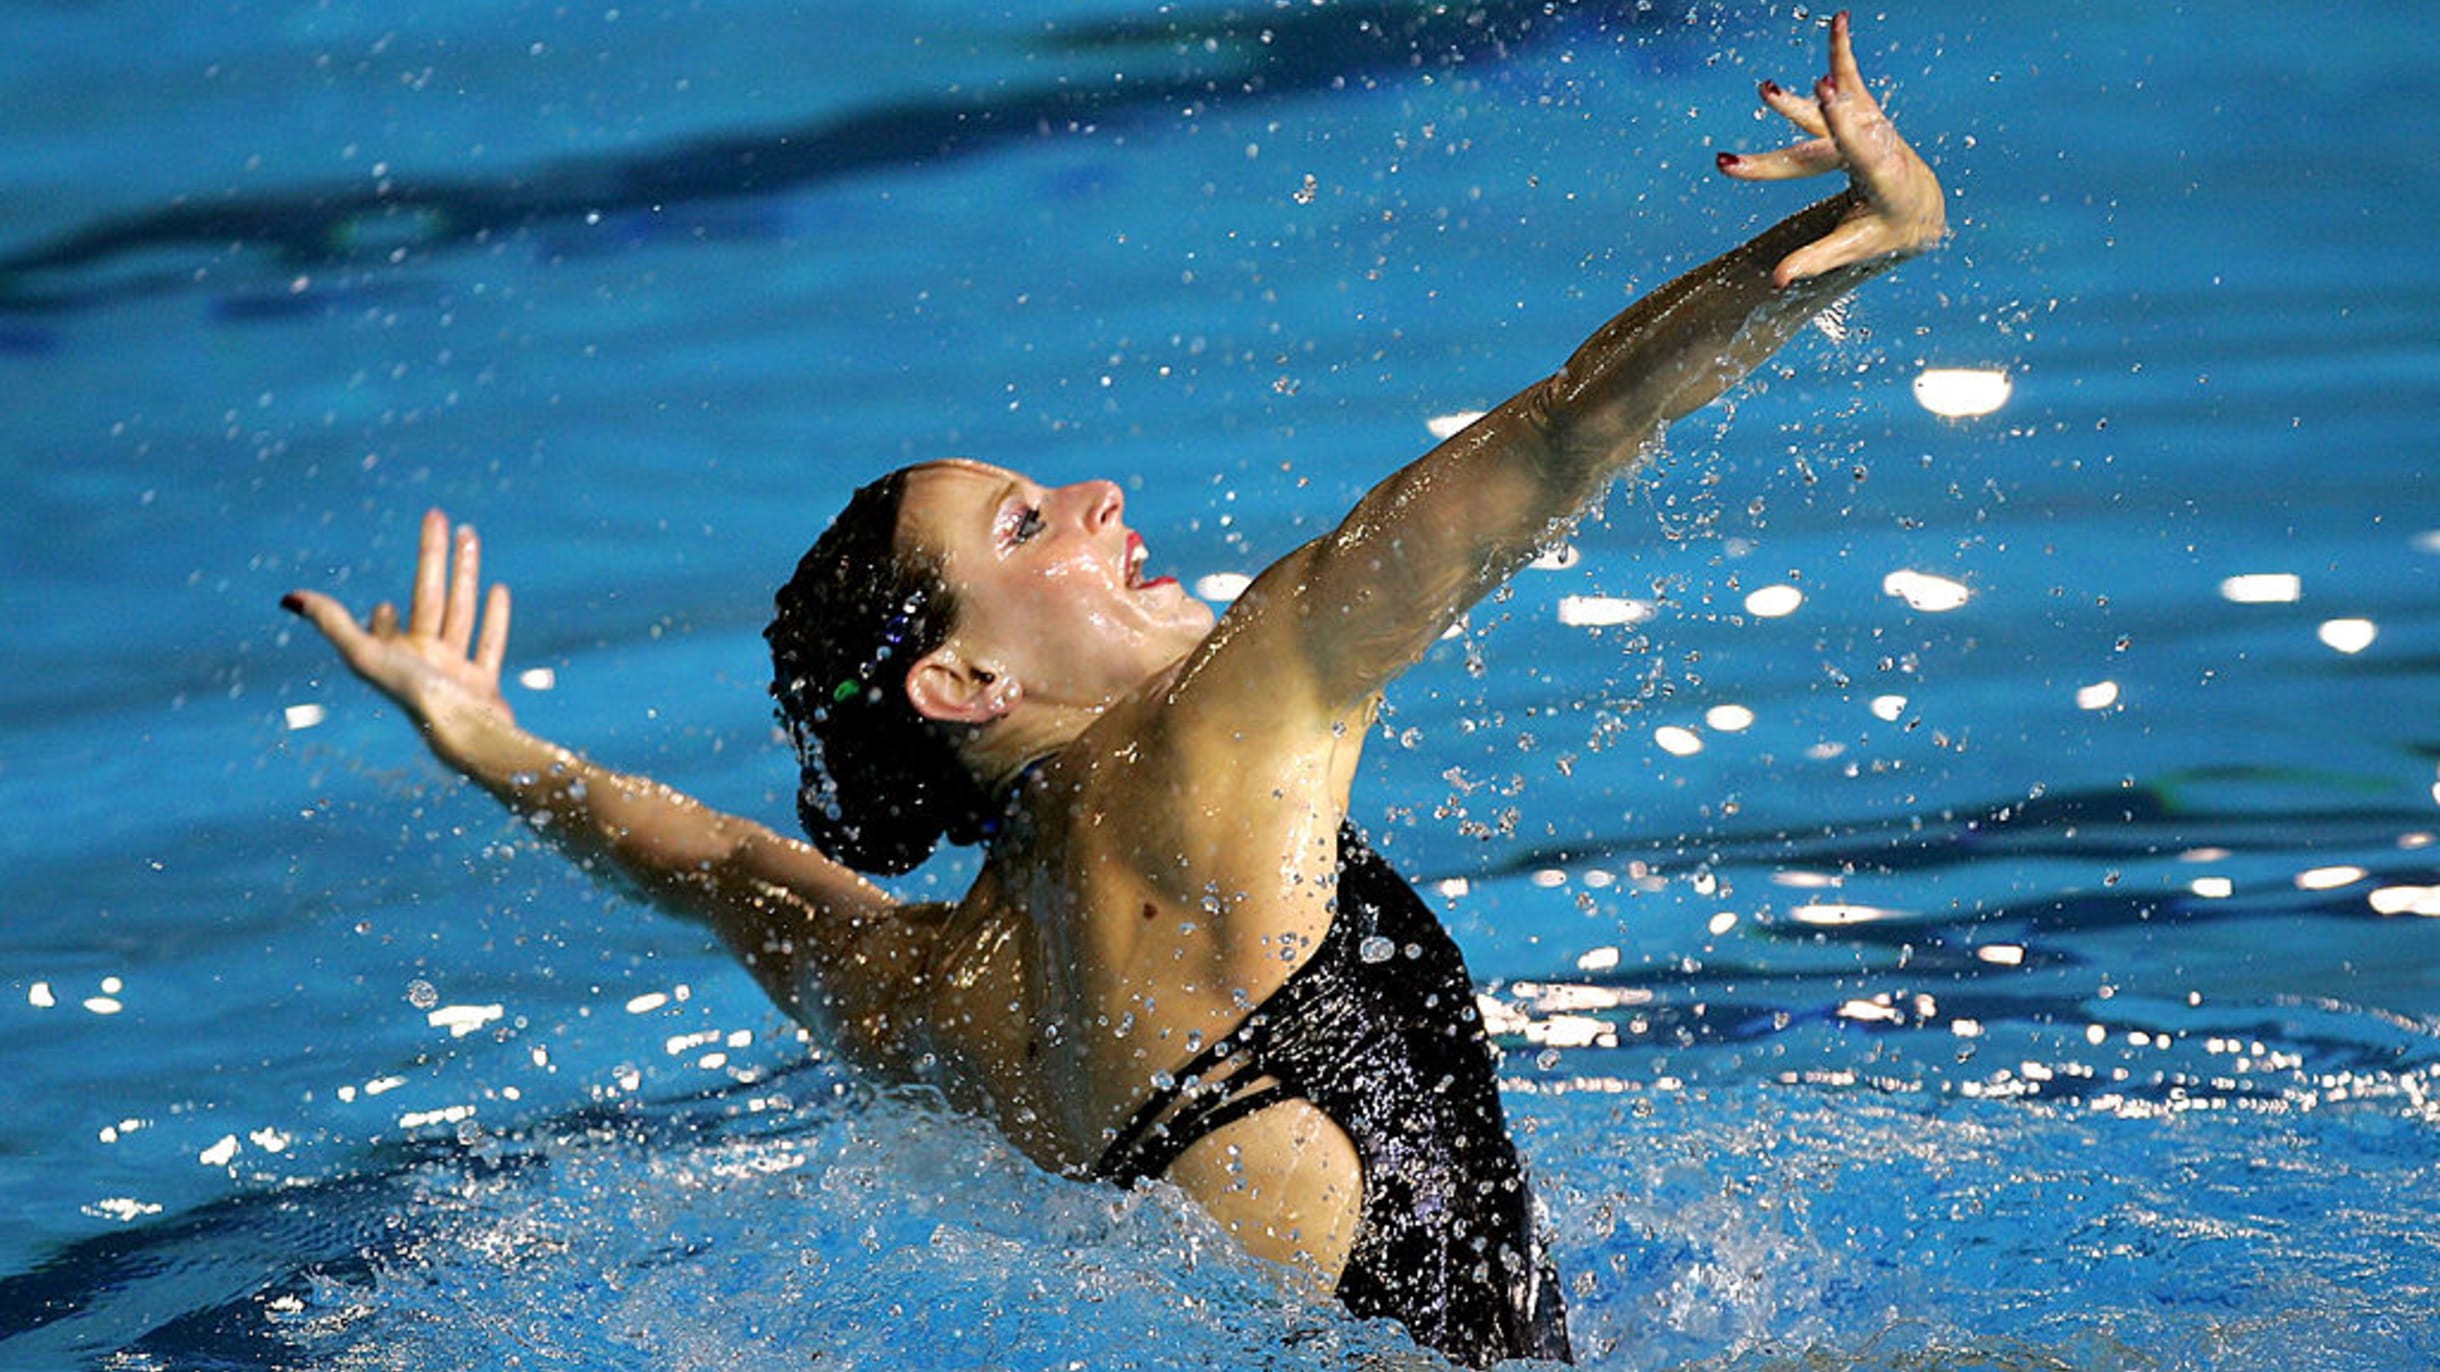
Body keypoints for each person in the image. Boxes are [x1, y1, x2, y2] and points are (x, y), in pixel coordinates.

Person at [281, 15, 1943, 1366]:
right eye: (1025, 522)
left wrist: (486, 743)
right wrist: (1839, 242)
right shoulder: (1211, 743)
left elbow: (714, 874)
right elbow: (1552, 435)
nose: (1095, 501)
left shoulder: (941, 998)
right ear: (962, 679)